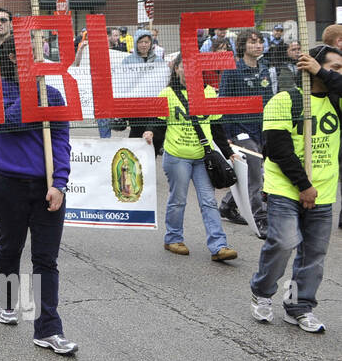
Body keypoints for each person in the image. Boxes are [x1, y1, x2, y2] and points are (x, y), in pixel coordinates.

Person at [0, 36, 78, 355]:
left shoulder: (53, 95)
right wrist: (30, 89)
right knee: (10, 247)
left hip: (46, 190)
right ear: (13, 57)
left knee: (45, 259)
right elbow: (5, 124)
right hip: (8, 185)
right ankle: (6, 302)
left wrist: (60, 184)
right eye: (32, 55)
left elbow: (61, 142)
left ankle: (48, 329)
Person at [248, 45, 341, 333]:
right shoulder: (284, 100)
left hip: (324, 191)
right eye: (334, 67)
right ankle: (262, 293)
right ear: (309, 65)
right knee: (284, 242)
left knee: (313, 255)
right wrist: (304, 186)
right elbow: (277, 149)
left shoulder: (338, 100)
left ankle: (299, 306)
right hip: (287, 188)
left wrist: (322, 71)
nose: (338, 73)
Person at [145, 52, 237, 262]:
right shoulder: (167, 94)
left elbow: (216, 127)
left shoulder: (209, 94)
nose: (187, 71)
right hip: (177, 157)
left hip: (203, 158)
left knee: (208, 201)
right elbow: (157, 123)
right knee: (178, 200)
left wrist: (229, 152)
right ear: (176, 69)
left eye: (193, 67)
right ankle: (173, 238)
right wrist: (149, 133)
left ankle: (219, 246)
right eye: (183, 66)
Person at [217, 29, 275, 238]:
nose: (258, 46)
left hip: (262, 129)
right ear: (243, 45)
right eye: (253, 42)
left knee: (251, 173)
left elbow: (270, 100)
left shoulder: (264, 69)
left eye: (260, 42)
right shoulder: (232, 70)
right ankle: (261, 219)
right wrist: (228, 135)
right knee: (255, 176)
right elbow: (223, 102)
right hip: (241, 132)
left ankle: (227, 205)